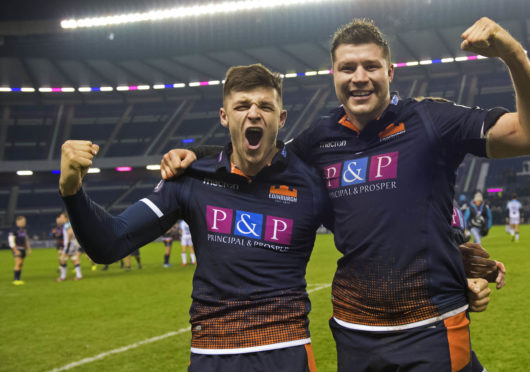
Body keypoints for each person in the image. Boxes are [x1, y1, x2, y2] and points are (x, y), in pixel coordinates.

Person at [163, 17, 530, 371]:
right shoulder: (317, 142)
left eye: (371, 66)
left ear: (391, 71)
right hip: (355, 333)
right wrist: (195, 155)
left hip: (431, 325)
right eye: (347, 67)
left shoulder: (431, 121)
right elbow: (258, 158)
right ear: (333, 76)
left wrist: (513, 54)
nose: (359, 77)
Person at [59, 64, 331, 371]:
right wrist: (72, 189)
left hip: (287, 351)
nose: (254, 114)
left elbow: (368, 236)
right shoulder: (189, 179)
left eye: (265, 106)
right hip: (212, 354)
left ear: (280, 119)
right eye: (241, 106)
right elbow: (109, 244)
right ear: (224, 116)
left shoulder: (311, 184)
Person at [57, 212, 83, 281]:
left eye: (62, 217)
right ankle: (79, 276)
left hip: (70, 245)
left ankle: (63, 277)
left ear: (66, 218)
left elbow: (70, 233)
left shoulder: (66, 225)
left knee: (62, 259)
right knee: (74, 259)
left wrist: (68, 242)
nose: (61, 219)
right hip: (73, 244)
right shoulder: (69, 224)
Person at [9, 215, 31, 285]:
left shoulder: (24, 230)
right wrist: (15, 250)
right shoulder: (14, 230)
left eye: (24, 221)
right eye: (23, 221)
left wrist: (28, 249)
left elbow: (26, 240)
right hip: (17, 249)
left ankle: (18, 278)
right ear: (18, 222)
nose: (24, 223)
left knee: (21, 264)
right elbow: (11, 241)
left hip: (23, 249)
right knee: (18, 263)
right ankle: (16, 280)